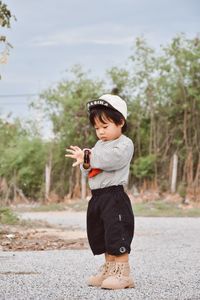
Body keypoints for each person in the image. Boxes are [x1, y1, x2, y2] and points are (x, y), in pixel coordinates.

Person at [65, 93, 135, 290]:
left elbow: (113, 160)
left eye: (105, 126)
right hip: (98, 196)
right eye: (97, 128)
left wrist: (89, 155)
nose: (101, 132)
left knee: (116, 231)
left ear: (120, 121)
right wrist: (84, 162)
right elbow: (90, 169)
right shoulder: (98, 146)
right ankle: (109, 268)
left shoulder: (124, 144)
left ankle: (123, 273)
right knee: (102, 233)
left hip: (114, 196)